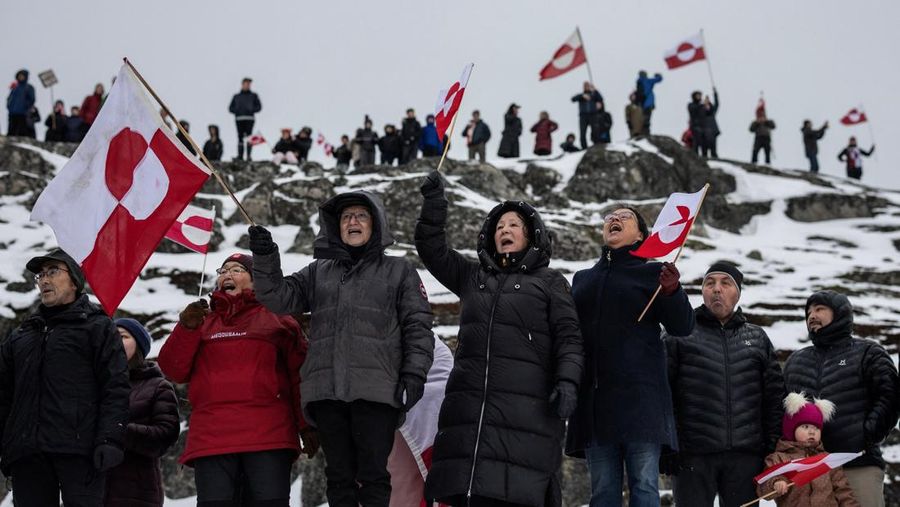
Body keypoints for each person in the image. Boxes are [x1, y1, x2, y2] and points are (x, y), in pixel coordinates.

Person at [247, 191, 435, 507]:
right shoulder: (318, 270)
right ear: (337, 227)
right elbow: (278, 298)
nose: (353, 222)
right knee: (338, 479)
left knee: (375, 476)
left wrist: (414, 375)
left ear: (376, 223)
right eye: (346, 217)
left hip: (377, 392)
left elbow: (419, 327)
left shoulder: (399, 270)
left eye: (361, 215)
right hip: (327, 392)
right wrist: (265, 258)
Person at [416, 171, 584, 507]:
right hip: (470, 419)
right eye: (498, 227)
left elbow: (570, 338)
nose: (504, 230)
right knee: (471, 493)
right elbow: (432, 250)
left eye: (513, 225)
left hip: (526, 417)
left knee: (515, 494)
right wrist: (434, 205)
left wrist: (568, 382)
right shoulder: (473, 278)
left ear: (531, 234)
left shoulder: (550, 282)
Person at [158, 253, 317, 507]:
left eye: (237, 269)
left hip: (268, 435)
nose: (227, 275)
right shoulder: (201, 320)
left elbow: (300, 377)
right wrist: (186, 328)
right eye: (222, 271)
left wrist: (307, 425)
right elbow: (173, 370)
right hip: (212, 437)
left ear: (255, 281)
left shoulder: (279, 318)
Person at [566, 207, 694, 507]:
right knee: (603, 492)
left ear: (640, 235)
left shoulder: (654, 274)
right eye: (610, 216)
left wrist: (672, 292)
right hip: (595, 403)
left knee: (645, 487)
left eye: (625, 217)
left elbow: (683, 326)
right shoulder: (582, 279)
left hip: (642, 402)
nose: (614, 219)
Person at [0, 248, 129, 507]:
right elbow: (3, 395)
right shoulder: (21, 335)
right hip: (28, 453)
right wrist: (7, 446)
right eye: (40, 275)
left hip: (81, 451)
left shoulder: (98, 326)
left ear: (74, 281)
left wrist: (110, 438)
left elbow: (115, 387)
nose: (44, 280)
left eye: (52, 271)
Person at [664, 262, 785, 507]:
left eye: (725, 282)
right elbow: (661, 394)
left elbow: (774, 398)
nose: (716, 289)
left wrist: (772, 448)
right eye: (710, 283)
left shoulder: (757, 337)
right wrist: (669, 445)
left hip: (745, 456)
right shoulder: (679, 333)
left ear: (737, 292)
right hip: (692, 456)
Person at [783, 290, 898, 507]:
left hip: (858, 464)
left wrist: (867, 434)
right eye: (808, 312)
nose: (811, 316)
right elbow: (782, 411)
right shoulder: (796, 361)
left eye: (819, 309)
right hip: (810, 471)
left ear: (840, 313)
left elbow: (889, 395)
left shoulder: (868, 352)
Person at [105, 318, 180, 507]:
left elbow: (165, 435)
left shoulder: (157, 386)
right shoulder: (93, 386)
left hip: (136, 492)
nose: (114, 341)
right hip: (90, 491)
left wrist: (120, 431)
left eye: (122, 336)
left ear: (139, 345)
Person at [757, 393, 859, 506]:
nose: (812, 432)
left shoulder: (828, 460)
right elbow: (764, 486)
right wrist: (775, 483)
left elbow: (843, 491)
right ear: (791, 429)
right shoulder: (779, 458)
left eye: (816, 428)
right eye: (805, 427)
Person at [229, 77, 262, 161]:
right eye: (246, 83)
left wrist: (251, 109)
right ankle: (240, 156)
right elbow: (230, 108)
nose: (248, 85)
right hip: (239, 119)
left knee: (249, 137)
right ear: (242, 84)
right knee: (240, 137)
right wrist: (237, 111)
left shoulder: (254, 96)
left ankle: (248, 156)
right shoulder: (236, 96)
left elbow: (259, 107)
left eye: (249, 84)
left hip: (249, 119)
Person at [571, 81, 603, 149]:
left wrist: (595, 90)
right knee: (583, 132)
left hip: (593, 115)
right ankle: (584, 147)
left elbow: (601, 99)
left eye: (587, 86)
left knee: (595, 131)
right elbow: (573, 99)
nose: (586, 87)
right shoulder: (581, 96)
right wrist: (582, 96)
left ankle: (597, 145)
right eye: (585, 86)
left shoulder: (594, 94)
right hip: (583, 116)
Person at [6, 69, 36, 136]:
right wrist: (9, 106)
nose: (20, 77)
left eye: (22, 76)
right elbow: (10, 98)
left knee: (21, 132)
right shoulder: (15, 87)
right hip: (12, 113)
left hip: (23, 113)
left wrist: (25, 106)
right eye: (19, 76)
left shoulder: (29, 87)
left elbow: (32, 99)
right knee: (11, 131)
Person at [700, 89, 720, 158]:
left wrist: (715, 93)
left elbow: (717, 103)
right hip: (704, 132)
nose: (707, 103)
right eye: (705, 101)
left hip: (713, 131)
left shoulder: (712, 111)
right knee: (704, 150)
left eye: (708, 101)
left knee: (713, 149)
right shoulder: (701, 111)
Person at [688, 91, 705, 156]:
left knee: (703, 144)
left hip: (702, 127)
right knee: (696, 142)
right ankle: (695, 155)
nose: (700, 97)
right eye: (698, 96)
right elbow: (692, 110)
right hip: (695, 127)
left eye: (700, 96)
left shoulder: (702, 106)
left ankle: (704, 157)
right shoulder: (691, 105)